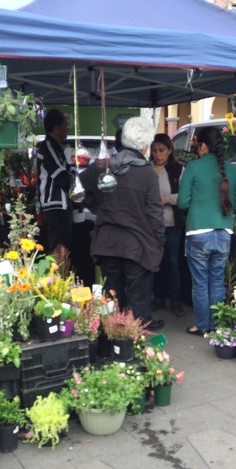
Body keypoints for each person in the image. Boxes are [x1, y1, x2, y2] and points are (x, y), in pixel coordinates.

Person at [80, 116, 165, 330]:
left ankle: (112, 346)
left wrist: (98, 206)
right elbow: (155, 214)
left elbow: (78, 190)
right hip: (136, 246)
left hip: (107, 244)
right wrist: (159, 242)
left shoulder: (102, 167)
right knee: (137, 302)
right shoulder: (147, 173)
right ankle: (133, 350)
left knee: (112, 300)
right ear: (145, 145)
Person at [177, 125, 236, 335]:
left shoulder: (194, 167)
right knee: (217, 281)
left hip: (198, 232)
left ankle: (203, 326)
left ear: (202, 145)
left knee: (200, 284)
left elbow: (182, 203)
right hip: (224, 232)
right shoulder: (231, 170)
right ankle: (218, 325)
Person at [150, 133, 185, 317]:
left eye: (162, 150)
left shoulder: (178, 170)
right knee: (156, 263)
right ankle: (158, 298)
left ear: (169, 150)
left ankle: (176, 301)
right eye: (154, 150)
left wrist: (166, 199)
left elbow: (185, 196)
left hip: (172, 223)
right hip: (151, 225)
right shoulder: (147, 169)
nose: (158, 154)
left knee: (172, 262)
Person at [36, 109, 73, 255]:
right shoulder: (48, 147)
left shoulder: (57, 148)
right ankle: (57, 277)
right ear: (56, 127)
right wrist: (71, 177)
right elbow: (63, 177)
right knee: (58, 248)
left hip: (61, 205)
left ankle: (63, 276)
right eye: (65, 125)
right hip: (54, 205)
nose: (67, 128)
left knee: (65, 248)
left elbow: (70, 172)